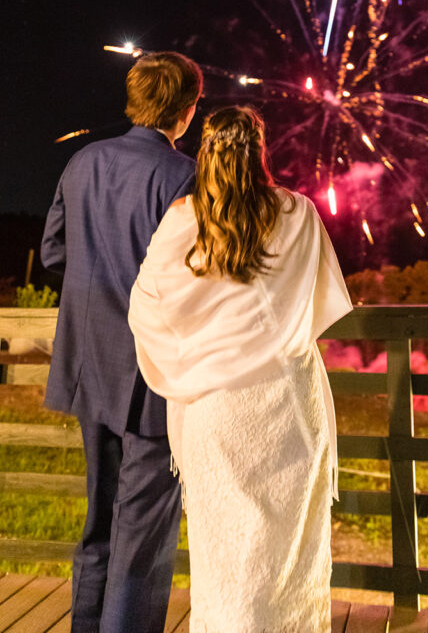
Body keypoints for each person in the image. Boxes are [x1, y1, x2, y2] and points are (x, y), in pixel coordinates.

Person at [128, 105, 353, 633]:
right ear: (259, 150)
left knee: (223, 559)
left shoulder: (184, 220)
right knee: (290, 558)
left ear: (205, 153)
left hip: (216, 413)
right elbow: (323, 303)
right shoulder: (298, 213)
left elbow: (145, 309)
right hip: (289, 407)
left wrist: (194, 362)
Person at [41, 51, 203, 633]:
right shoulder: (182, 175)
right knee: (144, 531)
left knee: (99, 522)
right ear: (186, 113)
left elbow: (54, 252)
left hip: (88, 366)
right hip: (150, 375)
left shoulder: (83, 161)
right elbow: (196, 278)